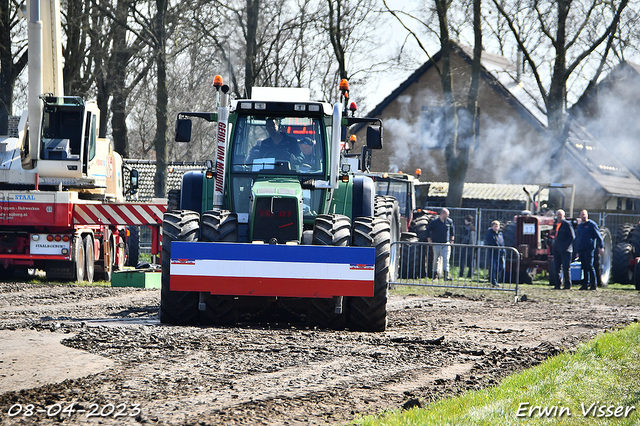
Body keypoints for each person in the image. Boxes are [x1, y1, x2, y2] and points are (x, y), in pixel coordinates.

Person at [575, 209, 604, 291]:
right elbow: (578, 239)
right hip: (581, 249)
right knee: (583, 267)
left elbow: (598, 236)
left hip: (589, 249)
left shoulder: (591, 224)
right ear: (580, 216)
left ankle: (593, 285)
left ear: (587, 215)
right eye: (582, 214)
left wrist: (601, 247)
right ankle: (585, 284)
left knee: (590, 266)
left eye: (585, 214)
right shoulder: (580, 226)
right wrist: (577, 251)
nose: (584, 216)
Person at [426, 208, 455, 280]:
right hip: (436, 244)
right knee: (436, 259)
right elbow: (427, 231)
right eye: (446, 214)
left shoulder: (449, 221)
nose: (447, 216)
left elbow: (452, 232)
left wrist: (451, 240)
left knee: (446, 259)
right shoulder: (434, 222)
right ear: (442, 214)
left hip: (446, 244)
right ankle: (434, 275)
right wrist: (429, 240)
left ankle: (446, 275)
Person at [551, 209, 575, 289]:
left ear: (564, 216)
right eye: (558, 215)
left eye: (560, 215)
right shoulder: (556, 224)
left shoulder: (567, 224)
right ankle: (557, 284)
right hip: (557, 249)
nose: (559, 216)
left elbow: (572, 237)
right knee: (557, 267)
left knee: (566, 268)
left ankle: (567, 285)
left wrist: (565, 247)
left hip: (565, 250)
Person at [484, 220, 505, 287]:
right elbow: (489, 242)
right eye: (495, 226)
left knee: (502, 267)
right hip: (493, 252)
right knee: (494, 267)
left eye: (497, 226)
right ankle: (493, 280)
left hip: (501, 252)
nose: (496, 228)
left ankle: (494, 277)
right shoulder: (489, 234)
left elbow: (502, 242)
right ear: (492, 226)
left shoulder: (500, 234)